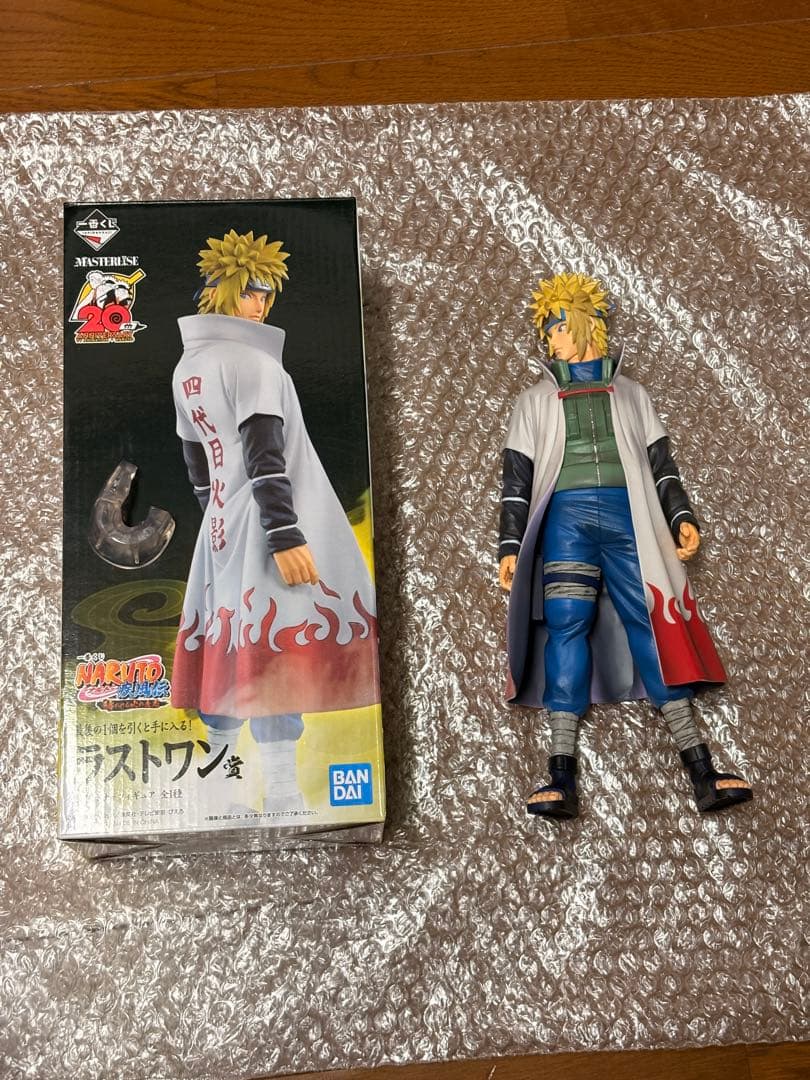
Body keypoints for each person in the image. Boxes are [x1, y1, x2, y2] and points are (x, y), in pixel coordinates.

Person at [498, 272, 752, 819]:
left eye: (558, 327)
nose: (551, 339)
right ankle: (560, 773)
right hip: (566, 523)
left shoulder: (633, 394)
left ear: (585, 324)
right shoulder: (533, 401)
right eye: (547, 330)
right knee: (566, 623)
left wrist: (680, 516)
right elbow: (517, 479)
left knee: (653, 624)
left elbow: (662, 465)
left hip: (630, 518)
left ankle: (702, 769)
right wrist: (510, 544)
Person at [171, 229, 378, 815]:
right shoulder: (255, 363)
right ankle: (281, 791)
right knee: (275, 646)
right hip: (268, 524)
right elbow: (267, 453)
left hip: (222, 523)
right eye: (250, 292)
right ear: (222, 291)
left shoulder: (187, 368)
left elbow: (195, 460)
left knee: (229, 644)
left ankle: (219, 789)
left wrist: (217, 512)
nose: (260, 304)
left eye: (266, 293)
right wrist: (285, 533)